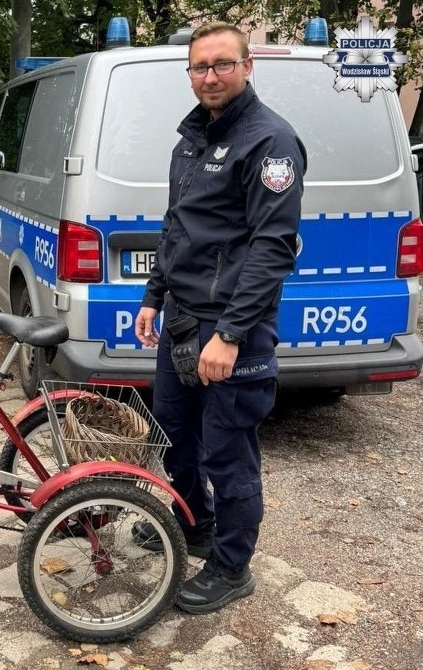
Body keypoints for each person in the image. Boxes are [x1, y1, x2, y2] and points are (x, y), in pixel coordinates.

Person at [133, 22, 306, 614]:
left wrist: (231, 335)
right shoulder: (191, 140)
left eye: (221, 65)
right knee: (173, 437)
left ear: (247, 66)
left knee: (226, 453)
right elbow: (176, 226)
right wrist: (154, 296)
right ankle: (196, 524)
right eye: (199, 67)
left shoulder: (270, 142)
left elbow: (273, 246)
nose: (209, 76)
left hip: (232, 328)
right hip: (181, 320)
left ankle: (232, 567)